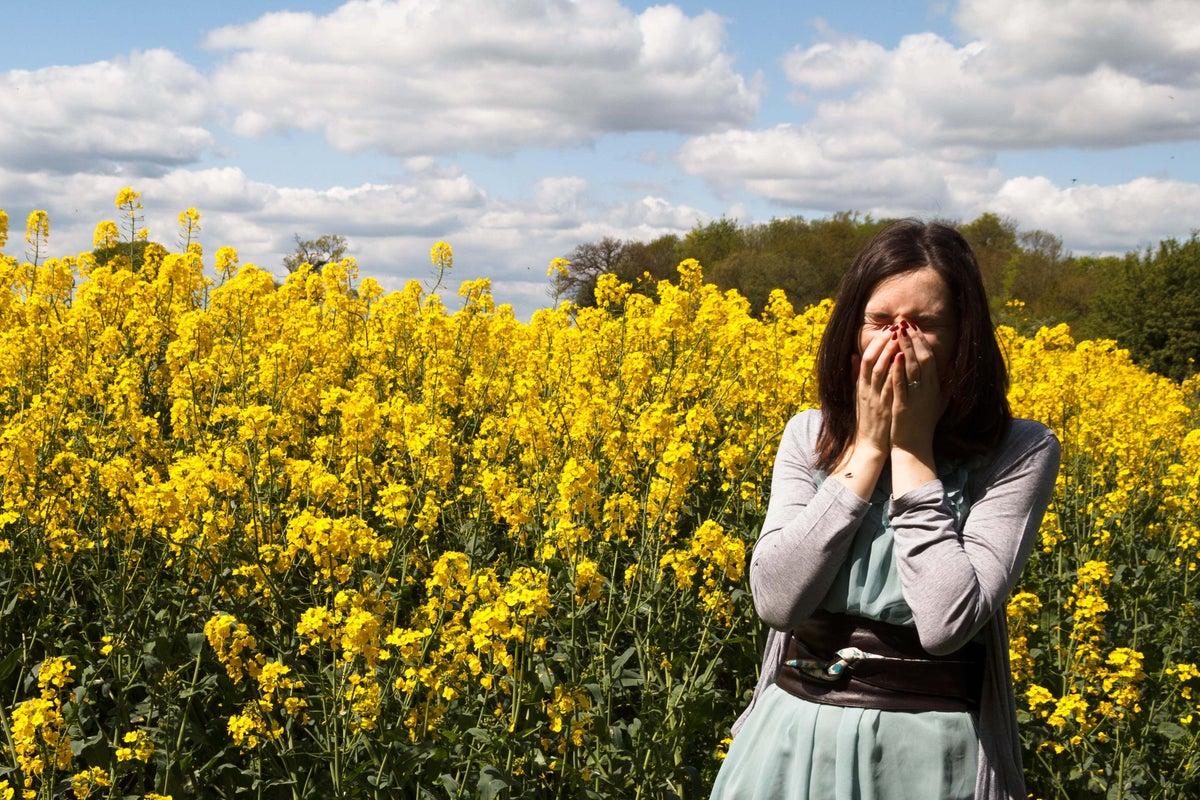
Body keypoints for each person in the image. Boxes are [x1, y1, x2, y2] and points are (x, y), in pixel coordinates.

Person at [710, 219, 1060, 800]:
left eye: (923, 325)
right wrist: (868, 452)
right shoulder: (808, 436)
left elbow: (947, 624)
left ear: (962, 340)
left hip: (927, 756)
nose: (897, 342)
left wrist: (911, 452)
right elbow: (777, 601)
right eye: (879, 322)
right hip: (792, 740)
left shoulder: (1020, 450)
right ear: (852, 333)